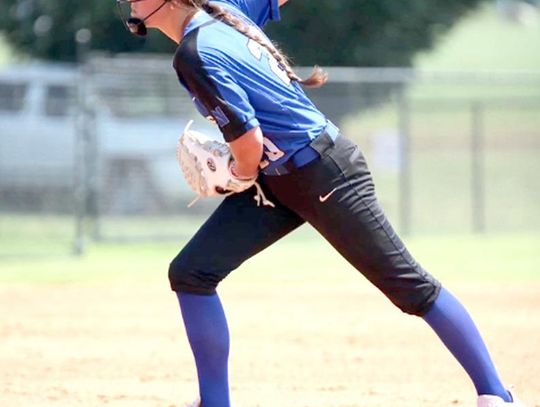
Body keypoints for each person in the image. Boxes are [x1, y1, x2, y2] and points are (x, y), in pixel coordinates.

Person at [115, 1, 526, 406]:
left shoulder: (195, 52)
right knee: (192, 272)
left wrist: (235, 175)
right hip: (281, 180)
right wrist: (246, 169)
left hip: (324, 173)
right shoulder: (226, 8)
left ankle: (497, 394)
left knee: (410, 287)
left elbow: (250, 145)